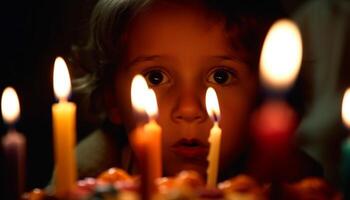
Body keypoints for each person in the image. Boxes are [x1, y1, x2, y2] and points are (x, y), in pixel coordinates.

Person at [61, 0, 322, 185]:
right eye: (156, 77)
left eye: (221, 76)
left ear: (261, 96)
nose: (188, 109)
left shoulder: (290, 181)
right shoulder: (88, 173)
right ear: (112, 99)